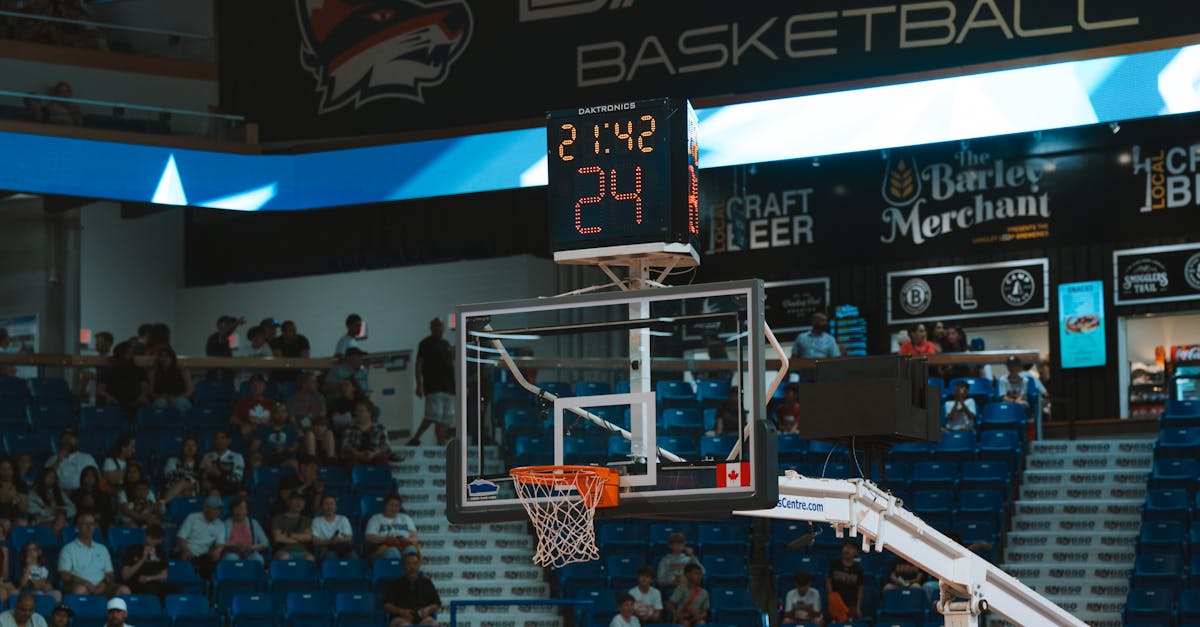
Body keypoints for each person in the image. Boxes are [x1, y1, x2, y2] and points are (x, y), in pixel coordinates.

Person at [58, 513, 130, 596]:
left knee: (124, 590)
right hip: (79, 585)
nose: (89, 527)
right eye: (86, 524)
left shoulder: (102, 548)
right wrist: (86, 584)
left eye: (92, 524)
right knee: (80, 590)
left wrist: (103, 584)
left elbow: (110, 574)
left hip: (102, 585)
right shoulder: (68, 549)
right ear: (77, 527)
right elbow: (64, 575)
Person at [410, 318, 454, 446]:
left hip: (449, 388)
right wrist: (419, 384)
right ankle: (416, 438)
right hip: (434, 387)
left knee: (444, 420)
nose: (437, 328)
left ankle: (441, 445)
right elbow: (418, 365)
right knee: (433, 415)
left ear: (443, 327)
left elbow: (451, 365)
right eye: (435, 326)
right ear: (431, 328)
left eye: (439, 326)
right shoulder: (425, 344)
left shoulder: (446, 344)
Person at [383, 549, 440, 627]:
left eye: (415, 564)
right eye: (408, 564)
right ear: (403, 566)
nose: (412, 567)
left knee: (434, 624)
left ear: (419, 565)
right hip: (401, 618)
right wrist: (401, 611)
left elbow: (437, 604)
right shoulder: (395, 584)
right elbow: (386, 606)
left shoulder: (427, 582)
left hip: (422, 618)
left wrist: (428, 609)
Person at [120, 524, 178, 600]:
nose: (153, 541)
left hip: (153, 582)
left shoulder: (160, 552)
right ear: (146, 537)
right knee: (151, 589)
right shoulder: (132, 549)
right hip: (136, 582)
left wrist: (149, 578)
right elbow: (125, 576)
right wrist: (143, 559)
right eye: (151, 538)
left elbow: (164, 575)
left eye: (156, 539)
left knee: (175, 587)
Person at [176, 496, 225, 580]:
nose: (217, 512)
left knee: (214, 563)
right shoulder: (192, 517)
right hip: (188, 552)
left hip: (204, 556)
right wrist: (185, 550)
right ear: (206, 508)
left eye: (219, 509)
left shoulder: (220, 524)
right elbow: (181, 538)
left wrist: (218, 551)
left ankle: (207, 590)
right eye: (214, 509)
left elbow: (220, 544)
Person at [96, 341, 149, 416]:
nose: (130, 356)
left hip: (135, 404)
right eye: (127, 353)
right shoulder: (108, 371)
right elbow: (100, 389)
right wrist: (108, 397)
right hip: (115, 404)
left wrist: (143, 396)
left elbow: (145, 387)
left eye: (131, 353)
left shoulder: (139, 370)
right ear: (121, 354)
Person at [365, 494, 418, 559]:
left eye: (397, 506)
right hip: (384, 547)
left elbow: (415, 538)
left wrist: (406, 540)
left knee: (411, 549)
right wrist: (386, 539)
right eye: (391, 505)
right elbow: (369, 537)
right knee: (393, 551)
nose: (394, 508)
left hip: (403, 545)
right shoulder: (376, 519)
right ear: (385, 505)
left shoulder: (406, 518)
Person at [45, 427, 98, 492]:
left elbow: (96, 481)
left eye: (71, 437)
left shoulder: (87, 458)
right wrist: (58, 460)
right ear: (60, 440)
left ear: (77, 440)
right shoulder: (52, 459)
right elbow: (45, 481)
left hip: (82, 494)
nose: (67, 439)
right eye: (64, 437)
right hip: (59, 494)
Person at [342, 400, 391, 466]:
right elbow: (345, 446)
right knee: (351, 461)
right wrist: (358, 454)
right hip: (356, 455)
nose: (357, 414)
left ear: (369, 413)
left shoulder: (380, 428)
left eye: (361, 411)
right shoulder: (350, 428)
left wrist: (374, 454)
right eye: (356, 411)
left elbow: (386, 446)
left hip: (375, 455)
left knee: (383, 460)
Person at [221, 498, 269, 563]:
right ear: (232, 510)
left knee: (258, 559)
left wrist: (250, 547)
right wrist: (233, 544)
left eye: (242, 508)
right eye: (236, 508)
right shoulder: (225, 524)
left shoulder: (253, 523)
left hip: (250, 553)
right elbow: (220, 543)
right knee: (231, 558)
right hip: (231, 553)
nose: (238, 511)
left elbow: (265, 543)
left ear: (247, 511)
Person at [270, 492, 314, 561]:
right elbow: (278, 538)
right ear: (288, 502)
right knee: (285, 557)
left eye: (302, 500)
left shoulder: (307, 520)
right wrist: (300, 538)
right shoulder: (278, 518)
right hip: (283, 551)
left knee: (310, 558)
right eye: (296, 499)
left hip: (303, 552)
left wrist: (288, 534)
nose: (299, 503)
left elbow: (308, 537)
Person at [231, 374, 276, 440]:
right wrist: (245, 424)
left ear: (264, 386)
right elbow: (232, 419)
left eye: (259, 384)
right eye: (253, 384)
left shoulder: (272, 403)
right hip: (251, 432)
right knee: (245, 430)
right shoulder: (242, 401)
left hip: (266, 431)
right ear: (250, 387)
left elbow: (277, 420)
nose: (256, 387)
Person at [826, 541, 863, 621]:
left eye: (851, 548)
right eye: (846, 546)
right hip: (836, 603)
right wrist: (832, 596)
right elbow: (828, 580)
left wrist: (858, 607)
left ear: (856, 552)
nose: (847, 549)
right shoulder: (835, 564)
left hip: (851, 603)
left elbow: (860, 588)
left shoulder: (858, 569)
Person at [256, 405, 301, 470]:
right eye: (277, 412)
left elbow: (295, 447)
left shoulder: (292, 429)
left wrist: (285, 449)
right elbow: (255, 446)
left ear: (287, 414)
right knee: (256, 462)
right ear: (273, 414)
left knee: (294, 464)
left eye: (283, 412)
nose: (280, 415)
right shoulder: (264, 428)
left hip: (285, 459)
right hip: (266, 458)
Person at [201, 431, 245, 497]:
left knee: (242, 494)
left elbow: (237, 479)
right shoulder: (207, 456)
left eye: (222, 438)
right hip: (212, 488)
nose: (219, 441)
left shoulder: (237, 457)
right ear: (213, 441)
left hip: (231, 488)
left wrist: (219, 474)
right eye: (216, 438)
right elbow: (202, 475)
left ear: (228, 441)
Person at [69, 466, 115, 530]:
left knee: (111, 527)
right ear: (83, 478)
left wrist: (100, 516)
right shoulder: (76, 493)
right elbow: (76, 512)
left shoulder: (104, 494)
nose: (90, 478)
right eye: (87, 476)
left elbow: (109, 512)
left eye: (92, 476)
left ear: (96, 478)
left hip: (101, 521)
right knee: (92, 525)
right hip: (83, 521)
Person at [311, 495, 355, 559]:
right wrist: (329, 542)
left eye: (332, 504)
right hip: (327, 549)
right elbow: (315, 540)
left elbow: (349, 538)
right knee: (331, 556)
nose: (329, 507)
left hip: (343, 548)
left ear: (336, 507)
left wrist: (338, 540)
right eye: (326, 504)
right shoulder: (317, 520)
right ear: (322, 507)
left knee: (353, 556)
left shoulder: (343, 519)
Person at [162, 437, 202, 503]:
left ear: (196, 449)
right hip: (175, 488)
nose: (190, 448)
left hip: (193, 490)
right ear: (182, 448)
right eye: (187, 445)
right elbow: (169, 476)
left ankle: (162, 503)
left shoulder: (200, 464)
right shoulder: (173, 461)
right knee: (183, 484)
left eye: (193, 445)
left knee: (186, 485)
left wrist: (184, 475)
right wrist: (190, 476)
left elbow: (199, 480)